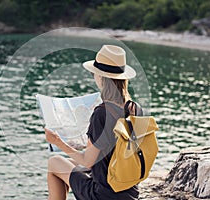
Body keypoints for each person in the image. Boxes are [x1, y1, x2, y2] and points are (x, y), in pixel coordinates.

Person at [45, 45, 139, 200]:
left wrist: (57, 142)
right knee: (69, 163)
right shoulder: (135, 109)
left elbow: (88, 163)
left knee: (54, 162)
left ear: (101, 77)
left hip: (103, 195)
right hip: (129, 192)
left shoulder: (102, 113)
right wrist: (82, 145)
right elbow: (116, 148)